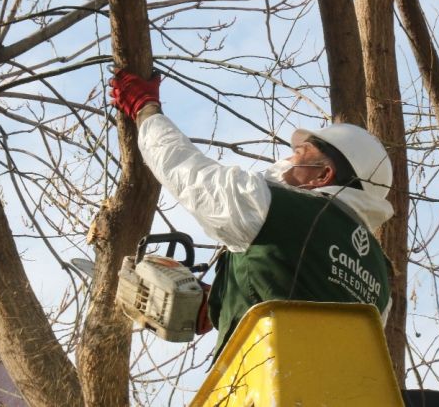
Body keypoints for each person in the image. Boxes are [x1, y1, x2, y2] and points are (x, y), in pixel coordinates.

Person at [109, 69, 394, 360]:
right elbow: (303, 299)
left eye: (301, 152)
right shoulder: (382, 278)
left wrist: (145, 108)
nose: (289, 159)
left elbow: (186, 171)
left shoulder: (273, 208)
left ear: (322, 174)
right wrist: (221, 301)